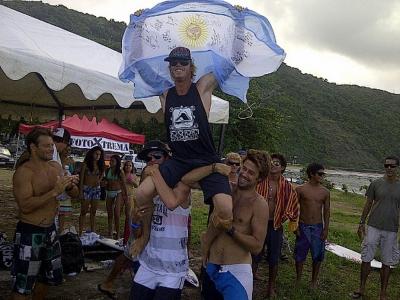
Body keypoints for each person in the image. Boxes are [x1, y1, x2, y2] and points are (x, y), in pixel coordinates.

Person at [132, 47, 233, 260]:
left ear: (191, 67)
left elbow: (229, 63)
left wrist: (239, 27)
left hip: (206, 159)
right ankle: (145, 235)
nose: (178, 66)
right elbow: (143, 69)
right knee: (140, 194)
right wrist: (138, 33)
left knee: (224, 210)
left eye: (183, 63)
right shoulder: (166, 94)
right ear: (170, 68)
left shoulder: (202, 88)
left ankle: (207, 238)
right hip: (179, 160)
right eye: (174, 64)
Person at [11, 127, 79, 299]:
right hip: (30, 231)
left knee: (46, 279)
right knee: (22, 286)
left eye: (52, 145)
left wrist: (70, 185)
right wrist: (54, 192)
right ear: (34, 148)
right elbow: (25, 206)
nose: (51, 149)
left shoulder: (55, 167)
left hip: (50, 231)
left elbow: (75, 194)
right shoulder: (24, 173)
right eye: (47, 146)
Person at [98, 141, 170, 298]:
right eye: (148, 158)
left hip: (150, 218)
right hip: (143, 217)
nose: (152, 160)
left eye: (157, 156)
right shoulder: (149, 171)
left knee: (129, 254)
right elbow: (144, 198)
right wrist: (141, 227)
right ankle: (112, 283)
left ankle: (111, 282)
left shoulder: (164, 171)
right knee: (132, 253)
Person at [201, 149, 270, 300]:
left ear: (260, 179)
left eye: (251, 173)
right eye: (244, 168)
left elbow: (257, 246)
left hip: (236, 272)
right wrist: (205, 247)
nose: (244, 174)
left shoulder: (259, 204)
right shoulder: (226, 191)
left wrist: (231, 230)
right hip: (212, 265)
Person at [351, 156, 400, 300]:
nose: (389, 168)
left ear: (397, 167)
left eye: (392, 166)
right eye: (386, 166)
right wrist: (361, 222)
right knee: (366, 257)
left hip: (391, 229)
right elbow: (368, 204)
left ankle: (383, 293)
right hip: (373, 226)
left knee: (387, 261)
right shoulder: (376, 184)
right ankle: (361, 289)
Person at [254, 153, 299, 297]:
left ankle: (271, 287)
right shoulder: (259, 181)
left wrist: (284, 218)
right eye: (271, 162)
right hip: (258, 223)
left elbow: (293, 206)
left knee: (274, 258)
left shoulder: (287, 186)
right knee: (255, 253)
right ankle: (251, 276)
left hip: (275, 225)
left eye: (277, 163)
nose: (273, 165)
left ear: (283, 168)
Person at [295, 162, 330, 288]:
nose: (322, 176)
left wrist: (326, 229)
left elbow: (326, 211)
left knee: (317, 255)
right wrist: (295, 226)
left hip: (317, 227)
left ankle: (314, 281)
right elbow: (294, 208)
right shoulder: (300, 189)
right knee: (300, 254)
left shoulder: (325, 192)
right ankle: (298, 279)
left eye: (323, 174)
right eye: (320, 174)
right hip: (303, 225)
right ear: (311, 174)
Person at [79, 146, 105, 235]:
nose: (98, 156)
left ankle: (93, 231)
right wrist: (80, 192)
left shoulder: (100, 164)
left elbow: (102, 173)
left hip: (96, 190)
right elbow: (81, 179)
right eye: (96, 154)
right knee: (83, 211)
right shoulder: (85, 164)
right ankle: (80, 231)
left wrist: (99, 180)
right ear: (92, 153)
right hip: (86, 189)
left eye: (99, 154)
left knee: (93, 211)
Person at [104, 155, 128, 239]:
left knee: (117, 214)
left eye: (113, 161)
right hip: (108, 192)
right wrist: (105, 183)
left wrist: (125, 195)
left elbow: (124, 184)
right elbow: (105, 180)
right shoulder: (107, 170)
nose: (110, 162)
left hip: (118, 192)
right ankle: (110, 232)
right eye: (110, 160)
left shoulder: (120, 172)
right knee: (110, 214)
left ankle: (117, 233)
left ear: (117, 162)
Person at [122, 160, 139, 244]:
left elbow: (136, 185)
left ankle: (128, 235)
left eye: (130, 166)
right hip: (121, 196)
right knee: (118, 213)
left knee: (128, 216)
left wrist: (132, 181)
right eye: (127, 165)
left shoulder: (133, 176)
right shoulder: (122, 175)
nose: (128, 167)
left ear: (132, 167)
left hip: (130, 196)